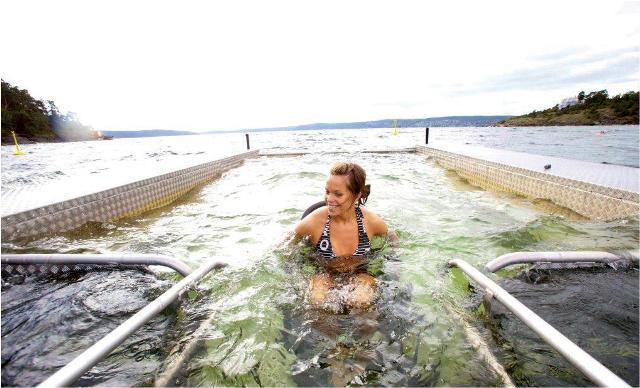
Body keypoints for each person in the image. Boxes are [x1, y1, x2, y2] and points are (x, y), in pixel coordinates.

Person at [294, 161, 395, 310]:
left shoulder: (371, 222)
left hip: (360, 272)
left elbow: (393, 238)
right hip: (325, 273)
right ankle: (325, 332)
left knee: (362, 300)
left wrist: (393, 265)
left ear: (357, 195)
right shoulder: (314, 221)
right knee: (318, 299)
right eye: (327, 192)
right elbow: (288, 240)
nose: (329, 199)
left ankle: (368, 332)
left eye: (338, 194)